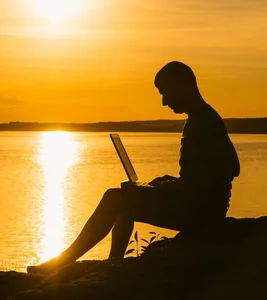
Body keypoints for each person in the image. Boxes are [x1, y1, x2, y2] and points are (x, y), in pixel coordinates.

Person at [27, 61, 240, 274]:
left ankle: (63, 263)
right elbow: (209, 172)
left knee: (115, 198)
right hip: (197, 205)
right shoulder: (198, 119)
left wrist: (179, 186)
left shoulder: (206, 121)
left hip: (202, 212)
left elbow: (231, 168)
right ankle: (114, 262)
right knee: (128, 196)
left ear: (183, 86)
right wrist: (176, 183)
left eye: (166, 93)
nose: (164, 102)